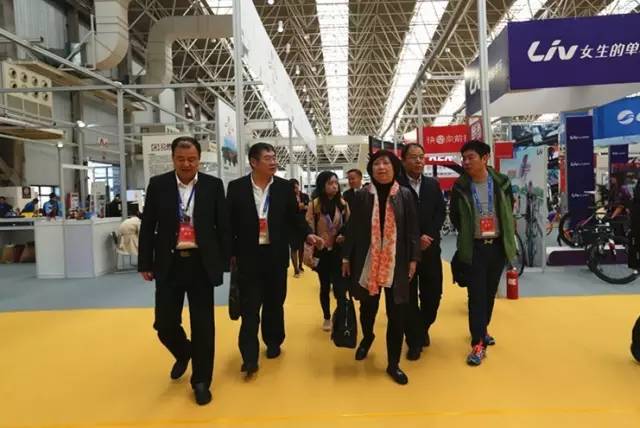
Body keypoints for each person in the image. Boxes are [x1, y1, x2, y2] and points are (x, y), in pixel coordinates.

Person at [138, 136, 230, 406]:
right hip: (169, 262)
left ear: (199, 159)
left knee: (203, 326)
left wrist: (224, 261)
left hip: (201, 263)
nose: (186, 164)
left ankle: (201, 381)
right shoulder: (158, 185)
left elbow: (223, 226)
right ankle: (184, 352)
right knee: (164, 324)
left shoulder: (213, 185)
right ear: (173, 159)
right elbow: (148, 226)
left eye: (191, 159)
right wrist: (145, 262)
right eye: (181, 159)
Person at [227, 142, 322, 378]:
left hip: (275, 255)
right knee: (249, 309)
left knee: (274, 303)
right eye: (268, 158)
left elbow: (294, 218)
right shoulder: (237, 188)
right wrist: (230, 254)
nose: (274, 162)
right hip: (248, 257)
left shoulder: (282, 188)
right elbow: (229, 224)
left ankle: (273, 341)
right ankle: (249, 357)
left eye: (274, 158)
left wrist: (307, 234)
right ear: (253, 162)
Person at [341, 150, 420, 385]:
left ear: (394, 168)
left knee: (397, 314)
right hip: (368, 261)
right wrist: (345, 258)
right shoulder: (362, 196)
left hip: (397, 262)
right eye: (377, 164)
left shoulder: (405, 195)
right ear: (371, 170)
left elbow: (413, 230)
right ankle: (368, 337)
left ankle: (393, 363)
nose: (381, 167)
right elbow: (353, 229)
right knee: (367, 308)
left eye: (386, 163)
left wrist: (414, 259)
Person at [450, 140, 516, 367]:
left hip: (497, 246)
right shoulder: (460, 187)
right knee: (476, 296)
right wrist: (469, 232)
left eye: (471, 157)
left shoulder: (502, 183)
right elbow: (455, 217)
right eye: (464, 158)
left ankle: (482, 330)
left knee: (488, 293)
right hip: (474, 248)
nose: (466, 162)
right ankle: (478, 343)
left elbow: (508, 209)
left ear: (485, 158)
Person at [398, 143, 446, 360]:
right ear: (403, 160)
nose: (418, 161)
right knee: (407, 298)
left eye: (421, 156)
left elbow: (440, 213)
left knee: (433, 295)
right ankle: (414, 341)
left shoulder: (432, 185)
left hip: (430, 249)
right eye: (413, 157)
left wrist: (429, 235)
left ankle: (422, 327)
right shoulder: (396, 186)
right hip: (405, 252)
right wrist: (415, 239)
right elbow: (394, 218)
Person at [307, 171, 350, 331]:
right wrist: (313, 240)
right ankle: (326, 317)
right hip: (322, 251)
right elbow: (308, 226)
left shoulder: (343, 204)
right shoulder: (314, 205)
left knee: (340, 288)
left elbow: (349, 224)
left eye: (336, 183)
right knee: (324, 286)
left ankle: (341, 316)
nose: (334, 186)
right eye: (330, 183)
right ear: (322, 185)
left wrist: (344, 235)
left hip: (339, 252)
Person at [290, 178, 310, 277]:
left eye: (296, 187)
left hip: (303, 224)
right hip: (292, 225)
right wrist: (297, 207)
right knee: (294, 247)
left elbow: (309, 208)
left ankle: (300, 265)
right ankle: (295, 269)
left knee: (302, 246)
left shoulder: (305, 196)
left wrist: (304, 207)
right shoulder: (288, 198)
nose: (295, 190)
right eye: (293, 188)